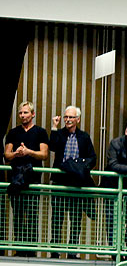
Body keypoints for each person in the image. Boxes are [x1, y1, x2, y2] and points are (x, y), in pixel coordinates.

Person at [49, 106, 96, 254]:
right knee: (57, 218)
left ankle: (72, 251)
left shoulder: (84, 137)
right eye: (66, 117)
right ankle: (55, 251)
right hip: (59, 182)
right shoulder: (60, 134)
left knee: (75, 219)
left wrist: (81, 166)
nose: (68, 120)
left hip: (77, 183)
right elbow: (52, 147)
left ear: (78, 119)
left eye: (71, 117)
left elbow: (92, 158)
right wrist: (54, 127)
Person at [4, 101, 49, 254]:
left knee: (31, 214)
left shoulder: (40, 132)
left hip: (33, 179)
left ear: (33, 114)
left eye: (25, 112)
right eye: (20, 113)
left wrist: (29, 152)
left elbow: (44, 154)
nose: (22, 115)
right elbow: (7, 155)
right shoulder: (13, 132)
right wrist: (17, 153)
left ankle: (31, 249)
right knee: (17, 214)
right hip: (16, 178)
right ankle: (19, 248)